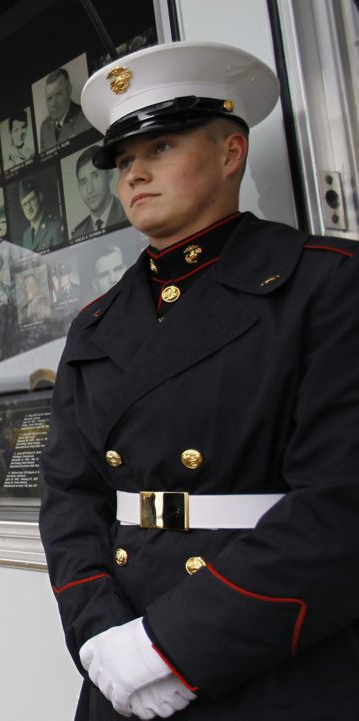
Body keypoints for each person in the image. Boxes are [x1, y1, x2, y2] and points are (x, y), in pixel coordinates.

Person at [40, 41, 359, 719]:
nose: (134, 175)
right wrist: (100, 636)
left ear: (230, 152)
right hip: (122, 658)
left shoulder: (326, 283)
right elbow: (71, 496)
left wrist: (175, 647)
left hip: (270, 655)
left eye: (160, 149)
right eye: (124, 160)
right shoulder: (96, 324)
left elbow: (341, 504)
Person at [70, 146, 127, 238]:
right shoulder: (78, 233)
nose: (90, 189)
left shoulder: (130, 215)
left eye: (95, 176)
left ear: (109, 174)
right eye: (83, 182)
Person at [38, 67, 92, 151]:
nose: (53, 103)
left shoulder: (86, 118)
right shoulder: (44, 128)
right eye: (49, 98)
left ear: (69, 90)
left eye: (58, 94)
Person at [18, 180, 63, 252]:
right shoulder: (26, 235)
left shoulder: (55, 226)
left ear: (40, 197)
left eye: (31, 200)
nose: (28, 207)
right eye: (24, 204)